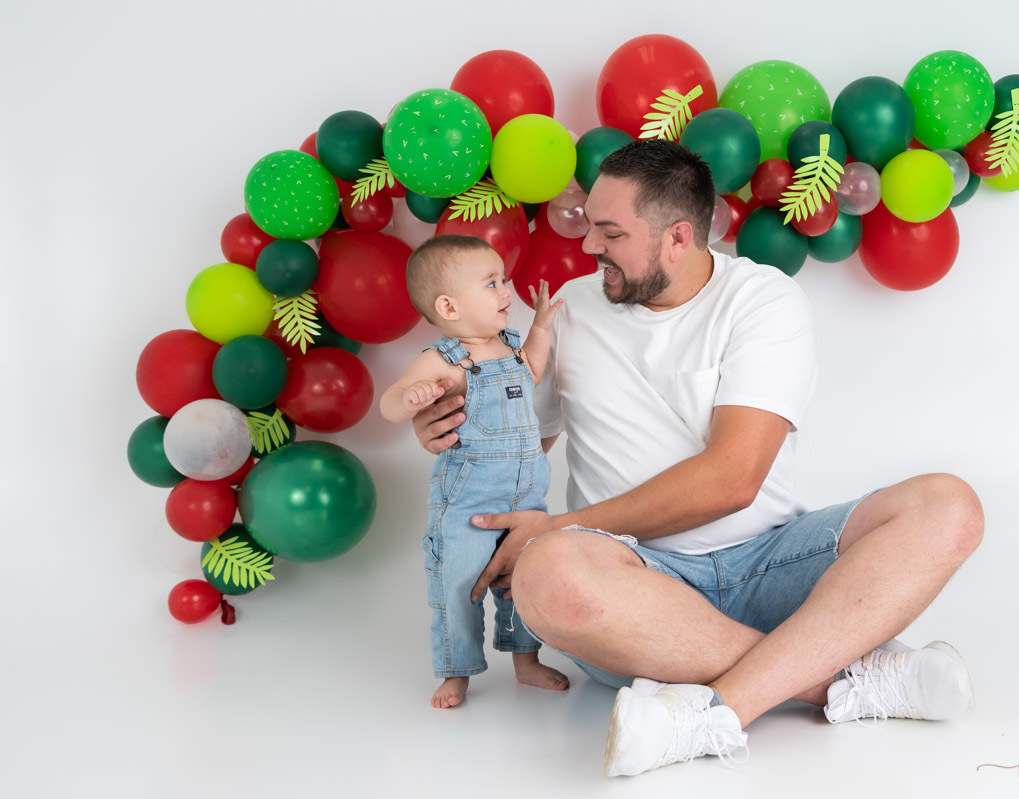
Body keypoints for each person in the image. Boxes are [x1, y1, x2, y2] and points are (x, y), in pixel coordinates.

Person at [412, 141, 984, 774]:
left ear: (678, 238)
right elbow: (520, 446)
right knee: (547, 574)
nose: (589, 245)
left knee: (949, 505)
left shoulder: (763, 301)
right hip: (635, 592)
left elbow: (732, 481)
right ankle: (846, 679)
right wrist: (453, 428)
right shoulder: (569, 310)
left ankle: (713, 713)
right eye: (592, 227)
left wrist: (560, 524)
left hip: (771, 564)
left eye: (611, 233)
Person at [380, 234, 569, 709]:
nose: (506, 290)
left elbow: (534, 371)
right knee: (460, 585)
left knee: (523, 582)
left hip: (527, 500)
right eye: (491, 283)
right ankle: (456, 671)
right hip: (469, 502)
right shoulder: (444, 360)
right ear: (449, 306)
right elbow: (390, 401)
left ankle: (526, 661)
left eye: (503, 279)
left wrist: (541, 326)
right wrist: (410, 398)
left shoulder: (509, 347)